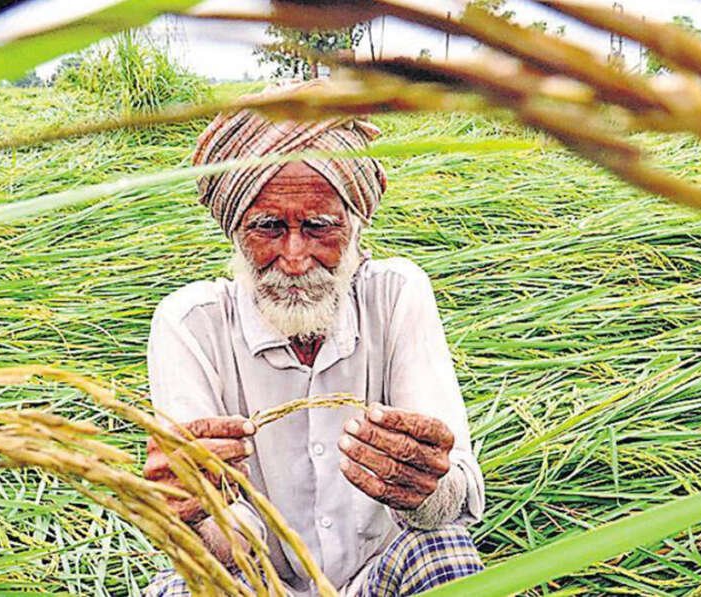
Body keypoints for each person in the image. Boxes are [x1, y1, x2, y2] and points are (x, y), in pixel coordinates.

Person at [143, 83, 484, 597]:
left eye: (320, 226)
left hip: (378, 578)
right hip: (256, 584)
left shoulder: (396, 295)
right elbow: (225, 539)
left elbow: (455, 487)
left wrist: (424, 490)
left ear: (355, 224)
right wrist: (193, 516)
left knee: (444, 550)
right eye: (268, 227)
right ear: (235, 229)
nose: (295, 257)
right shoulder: (190, 324)